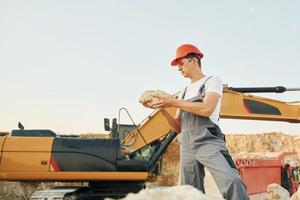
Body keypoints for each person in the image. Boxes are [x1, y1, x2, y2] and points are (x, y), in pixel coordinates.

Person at [145, 44, 249, 199]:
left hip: (207, 139)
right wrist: (162, 109)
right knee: (190, 192)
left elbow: (207, 108)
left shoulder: (212, 81)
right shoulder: (184, 92)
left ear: (194, 60)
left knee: (231, 181)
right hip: (186, 143)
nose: (178, 68)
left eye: (181, 63)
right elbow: (179, 127)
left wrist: (173, 102)